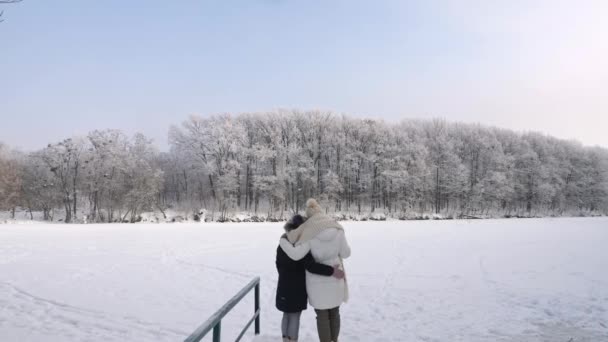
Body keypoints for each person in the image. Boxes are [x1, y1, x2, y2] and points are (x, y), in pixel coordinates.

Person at [280, 199, 351, 342]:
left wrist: (283, 242)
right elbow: (346, 253)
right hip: (336, 278)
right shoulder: (337, 229)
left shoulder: (309, 233)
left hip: (317, 282)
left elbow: (296, 255)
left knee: (322, 315)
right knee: (335, 312)